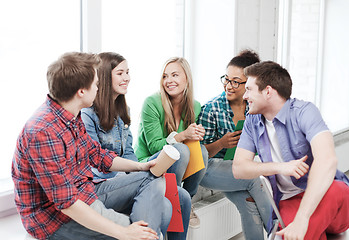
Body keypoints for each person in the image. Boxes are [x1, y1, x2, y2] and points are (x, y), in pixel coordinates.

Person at [11, 52, 171, 240]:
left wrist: (140, 166)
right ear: (81, 91)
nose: (98, 88)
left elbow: (97, 155)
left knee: (152, 178)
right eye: (96, 84)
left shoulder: (71, 114)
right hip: (55, 219)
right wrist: (124, 232)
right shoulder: (43, 132)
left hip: (86, 193)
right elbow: (67, 203)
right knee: (152, 226)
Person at [232, 61, 349, 240]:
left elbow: (328, 160)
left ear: (268, 91)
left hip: (325, 193)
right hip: (289, 200)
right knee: (295, 234)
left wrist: (302, 219)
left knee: (338, 190)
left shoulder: (305, 112)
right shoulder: (251, 122)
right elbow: (239, 169)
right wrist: (281, 167)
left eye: (249, 89)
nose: (245, 96)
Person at [81, 52, 191, 239]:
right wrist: (134, 175)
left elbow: (129, 152)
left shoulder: (122, 111)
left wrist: (135, 172)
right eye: (121, 73)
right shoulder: (87, 114)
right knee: (163, 198)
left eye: (128, 72)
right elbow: (94, 162)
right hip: (105, 183)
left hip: (128, 175)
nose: (127, 78)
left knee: (183, 198)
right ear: (105, 77)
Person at [197, 50, 270, 240]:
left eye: (236, 81)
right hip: (208, 169)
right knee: (254, 177)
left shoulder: (254, 109)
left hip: (235, 169)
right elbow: (198, 156)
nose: (229, 86)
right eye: (226, 79)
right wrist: (221, 143)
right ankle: (282, 232)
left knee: (250, 205)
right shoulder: (212, 108)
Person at [135, 57, 208, 231]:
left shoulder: (195, 106)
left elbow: (191, 145)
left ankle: (186, 201)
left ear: (186, 79)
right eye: (165, 76)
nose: (169, 81)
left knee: (202, 151)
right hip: (149, 160)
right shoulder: (152, 103)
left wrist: (196, 135)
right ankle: (175, 200)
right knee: (180, 150)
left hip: (176, 165)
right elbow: (154, 146)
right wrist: (183, 135)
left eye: (175, 75)